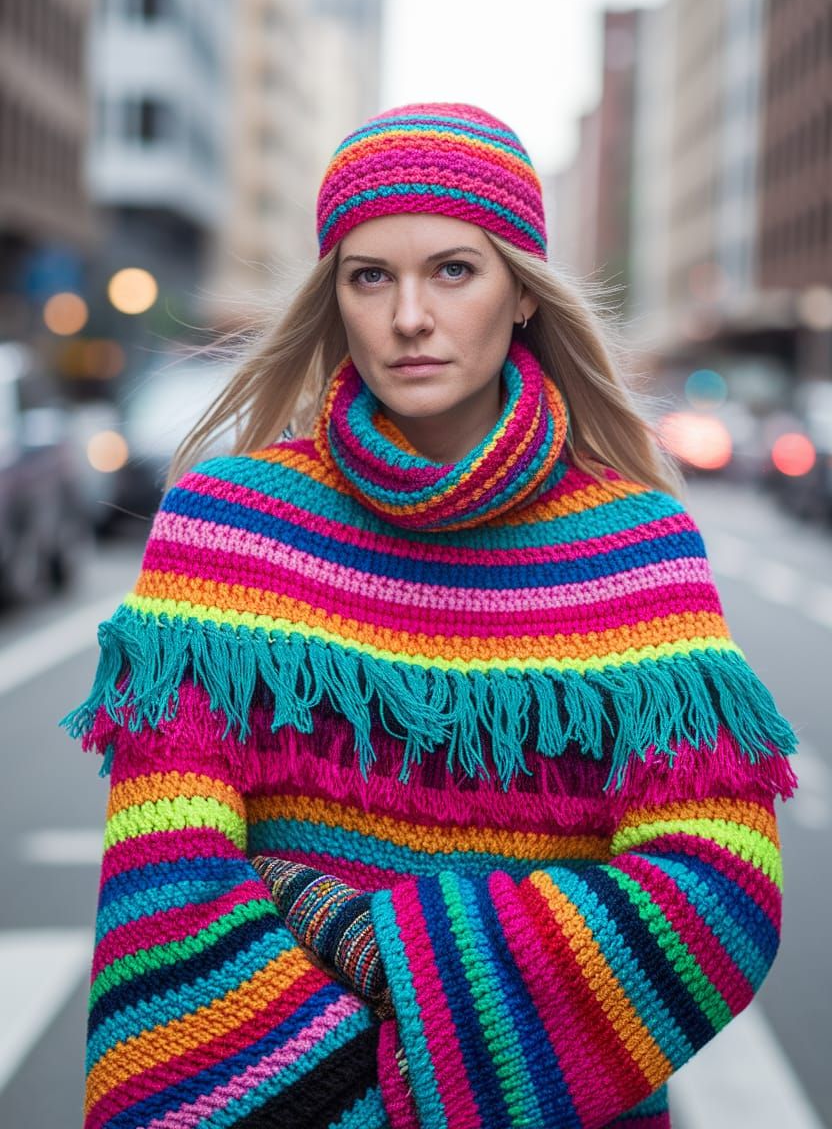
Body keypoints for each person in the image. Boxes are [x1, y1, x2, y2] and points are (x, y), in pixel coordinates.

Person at [64, 102, 798, 1129]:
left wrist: (364, 936)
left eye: (453, 269)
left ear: (522, 294)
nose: (410, 314)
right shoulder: (224, 526)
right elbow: (167, 876)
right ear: (338, 299)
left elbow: (715, 886)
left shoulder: (639, 543)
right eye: (371, 276)